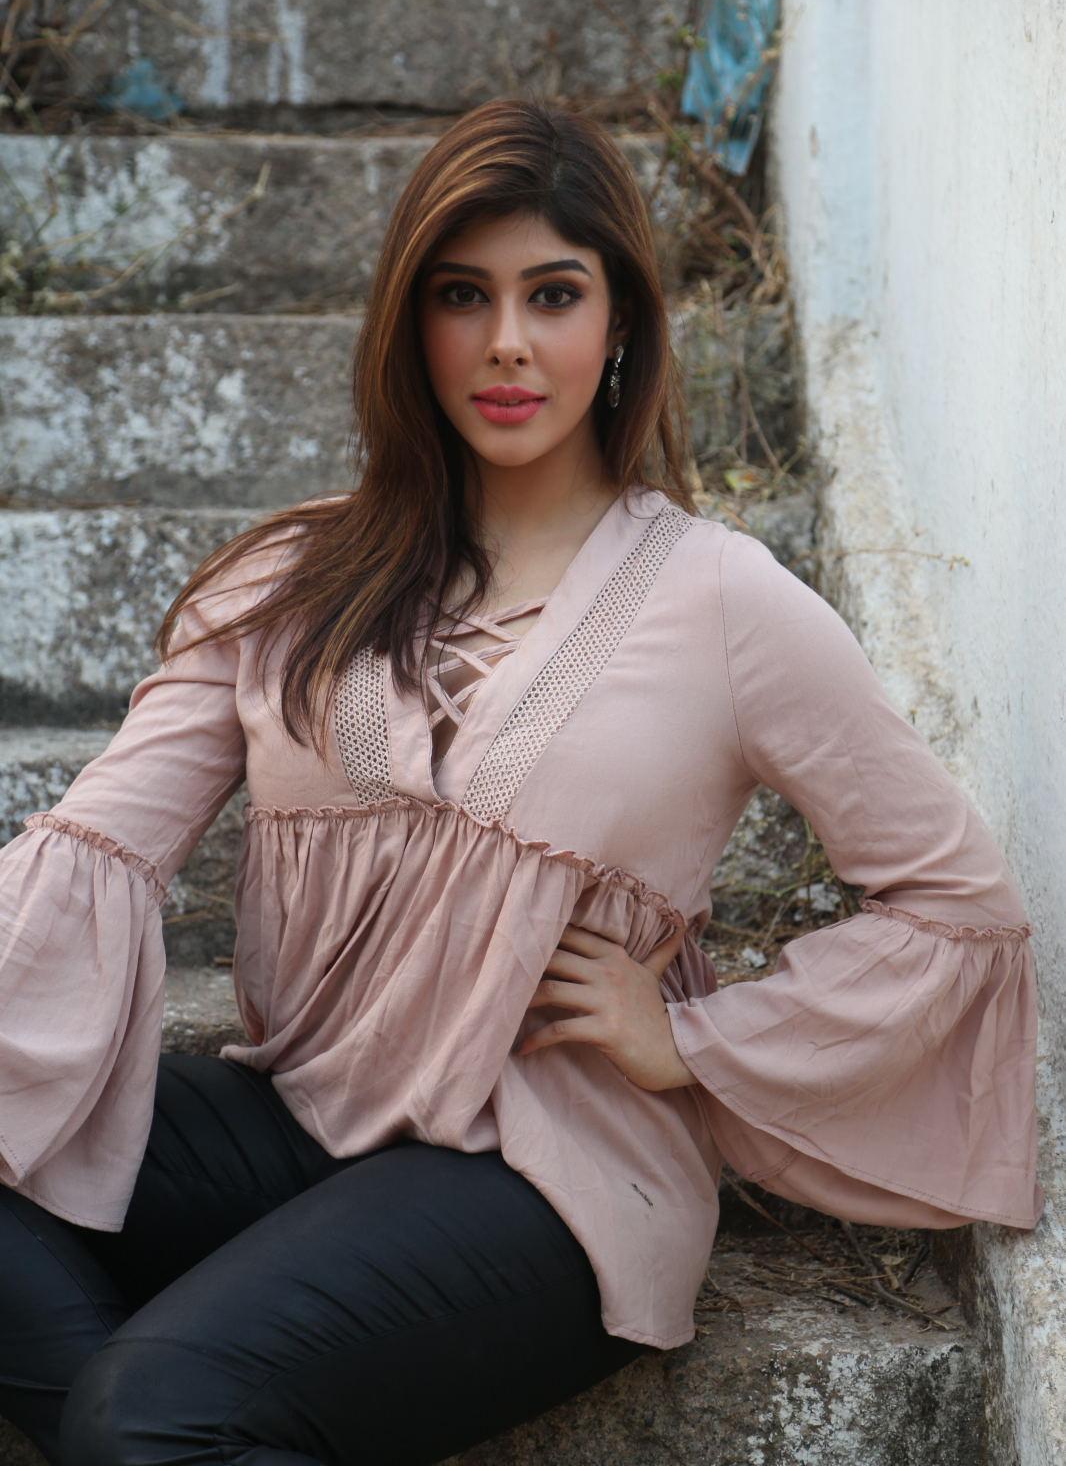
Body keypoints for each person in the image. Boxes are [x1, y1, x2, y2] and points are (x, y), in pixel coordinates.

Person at [0, 97, 1043, 1466]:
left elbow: (956, 908)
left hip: (542, 1167)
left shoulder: (726, 601)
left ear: (619, 325)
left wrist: (693, 1044)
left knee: (151, 1411)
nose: (505, 341)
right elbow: (96, 843)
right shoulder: (291, 580)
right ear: (408, 323)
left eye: (552, 295)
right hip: (302, 1111)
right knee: (131, 1407)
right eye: (462, 295)